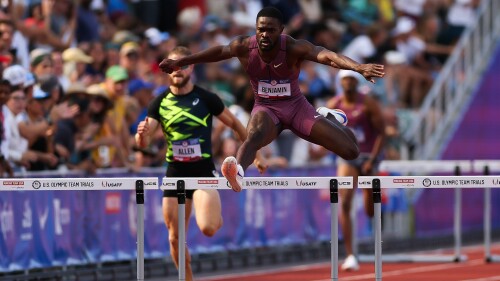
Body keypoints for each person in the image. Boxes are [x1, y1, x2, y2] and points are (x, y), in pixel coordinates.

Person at [159, 6, 385, 192]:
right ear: (255, 30)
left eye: (270, 30)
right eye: (261, 30)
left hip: (297, 108)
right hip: (267, 108)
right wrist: (183, 61)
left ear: (281, 30)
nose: (265, 35)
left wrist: (358, 67)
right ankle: (237, 170)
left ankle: (330, 118)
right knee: (254, 134)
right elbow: (219, 52)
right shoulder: (245, 46)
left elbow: (328, 56)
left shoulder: (294, 47)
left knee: (351, 151)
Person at [135, 46, 259, 281]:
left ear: (191, 67)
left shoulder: (206, 98)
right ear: (166, 71)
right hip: (175, 174)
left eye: (182, 65)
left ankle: (216, 213)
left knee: (209, 228)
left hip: (202, 172)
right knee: (174, 238)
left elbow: (235, 124)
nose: (177, 71)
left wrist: (257, 155)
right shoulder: (159, 102)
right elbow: (144, 138)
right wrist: (141, 135)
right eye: (172, 67)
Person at [324, 70, 386, 271]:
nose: (348, 82)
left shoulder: (367, 103)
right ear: (340, 82)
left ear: (357, 82)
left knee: (370, 206)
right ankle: (350, 254)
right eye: (345, 79)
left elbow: (382, 133)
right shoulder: (334, 105)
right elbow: (323, 131)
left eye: (352, 79)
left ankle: (376, 225)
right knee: (345, 201)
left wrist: (374, 159)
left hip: (368, 156)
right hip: (348, 158)